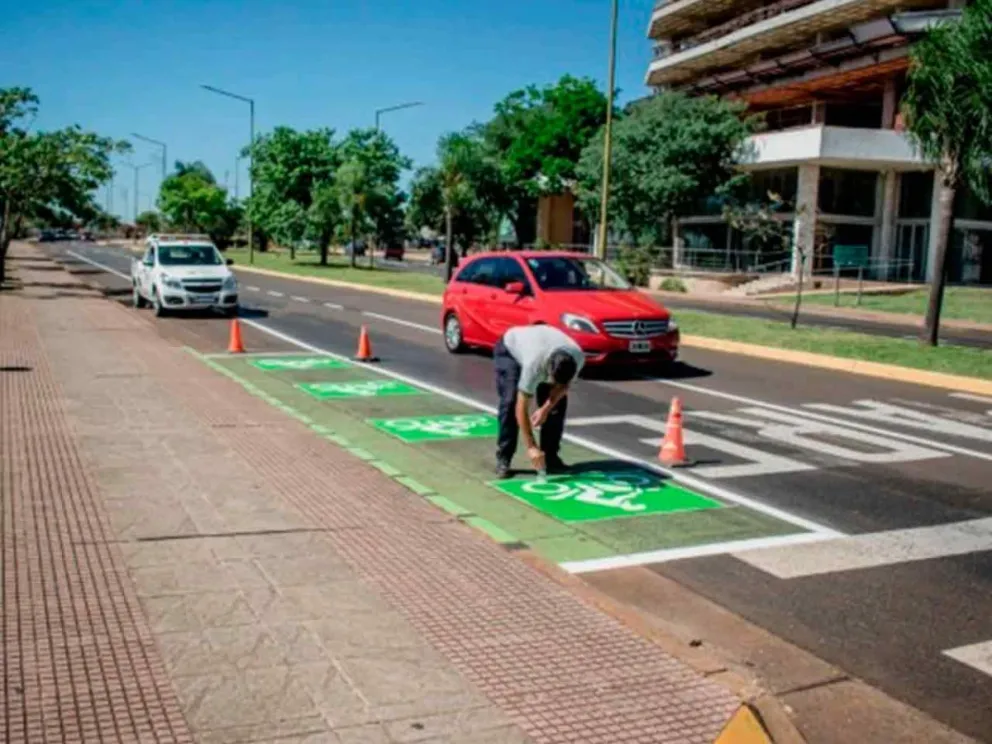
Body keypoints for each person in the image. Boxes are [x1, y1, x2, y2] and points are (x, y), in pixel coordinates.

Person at [493, 324, 585, 479]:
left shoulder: (577, 358)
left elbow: (563, 387)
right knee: (510, 402)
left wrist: (545, 409)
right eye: (553, 381)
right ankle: (504, 456)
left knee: (558, 405)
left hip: (543, 344)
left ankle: (550, 457)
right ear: (548, 369)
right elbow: (521, 407)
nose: (555, 386)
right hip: (511, 351)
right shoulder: (534, 364)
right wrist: (531, 447)